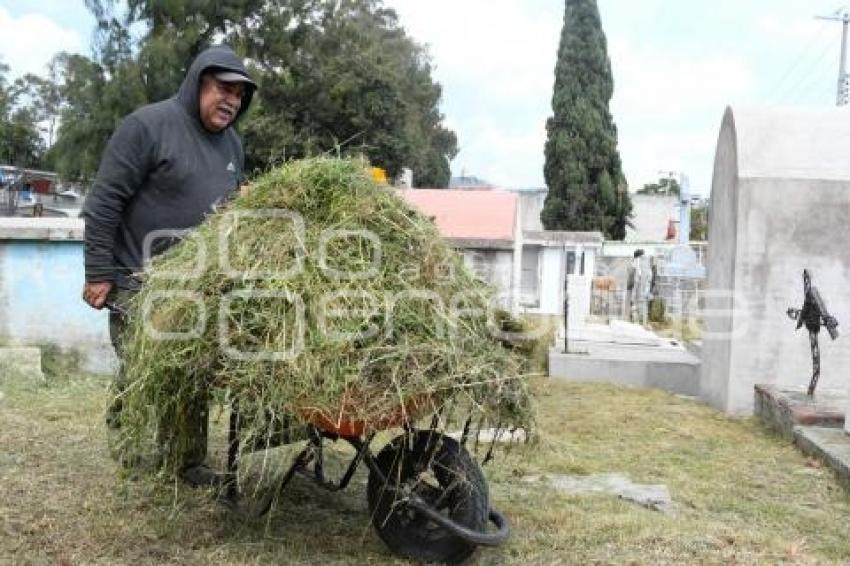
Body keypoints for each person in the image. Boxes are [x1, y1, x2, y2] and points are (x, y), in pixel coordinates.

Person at [81, 45, 256, 486]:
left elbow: (225, 208)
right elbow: (104, 203)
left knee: (191, 372)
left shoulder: (232, 144)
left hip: (196, 284)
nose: (231, 100)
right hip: (137, 278)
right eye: (222, 88)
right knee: (141, 368)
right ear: (198, 82)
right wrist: (98, 272)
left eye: (239, 93)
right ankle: (130, 446)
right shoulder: (147, 127)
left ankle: (187, 461)